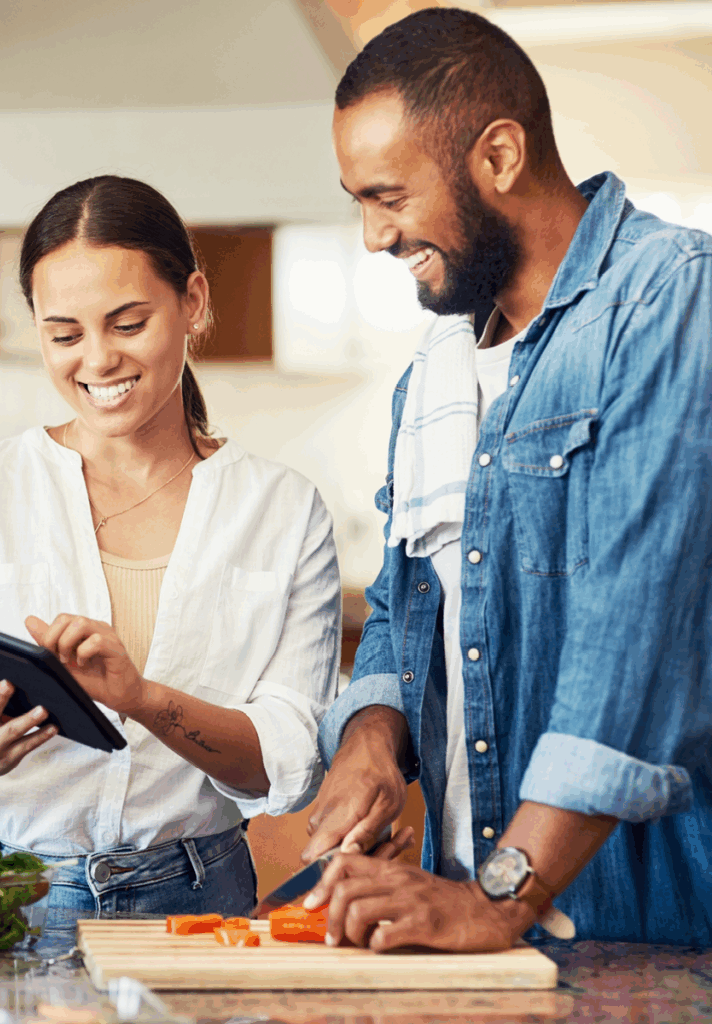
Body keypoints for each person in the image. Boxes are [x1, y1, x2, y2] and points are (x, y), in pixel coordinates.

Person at [0, 175, 404, 917]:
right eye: (64, 334)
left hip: (193, 897)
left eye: (127, 324)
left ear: (192, 302)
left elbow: (284, 761)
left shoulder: (281, 511)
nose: (96, 361)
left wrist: (143, 701)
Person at [302, 8, 712, 951]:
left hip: (644, 932)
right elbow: (410, 609)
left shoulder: (667, 301)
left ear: (497, 157)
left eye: (389, 195)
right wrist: (372, 732)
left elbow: (635, 635)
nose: (372, 235)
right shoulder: (435, 371)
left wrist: (503, 896)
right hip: (469, 926)